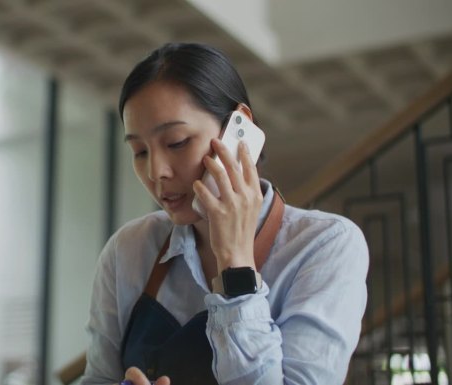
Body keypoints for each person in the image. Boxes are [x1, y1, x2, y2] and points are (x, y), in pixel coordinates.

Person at [81, 43, 369, 385]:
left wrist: (235, 265)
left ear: (239, 130)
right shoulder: (128, 250)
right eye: (140, 151)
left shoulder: (324, 246)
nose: (156, 171)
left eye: (176, 142)